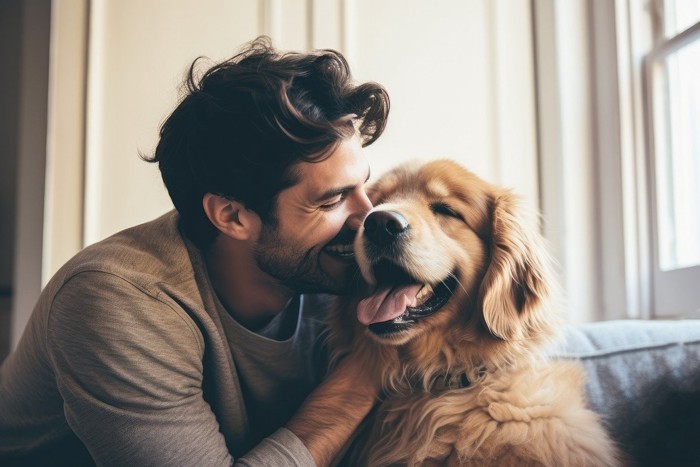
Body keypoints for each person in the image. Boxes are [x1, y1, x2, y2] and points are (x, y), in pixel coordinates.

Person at [0, 36, 390, 466]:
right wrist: (367, 371)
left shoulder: (330, 267)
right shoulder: (117, 299)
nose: (366, 216)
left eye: (363, 186)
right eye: (332, 200)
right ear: (232, 216)